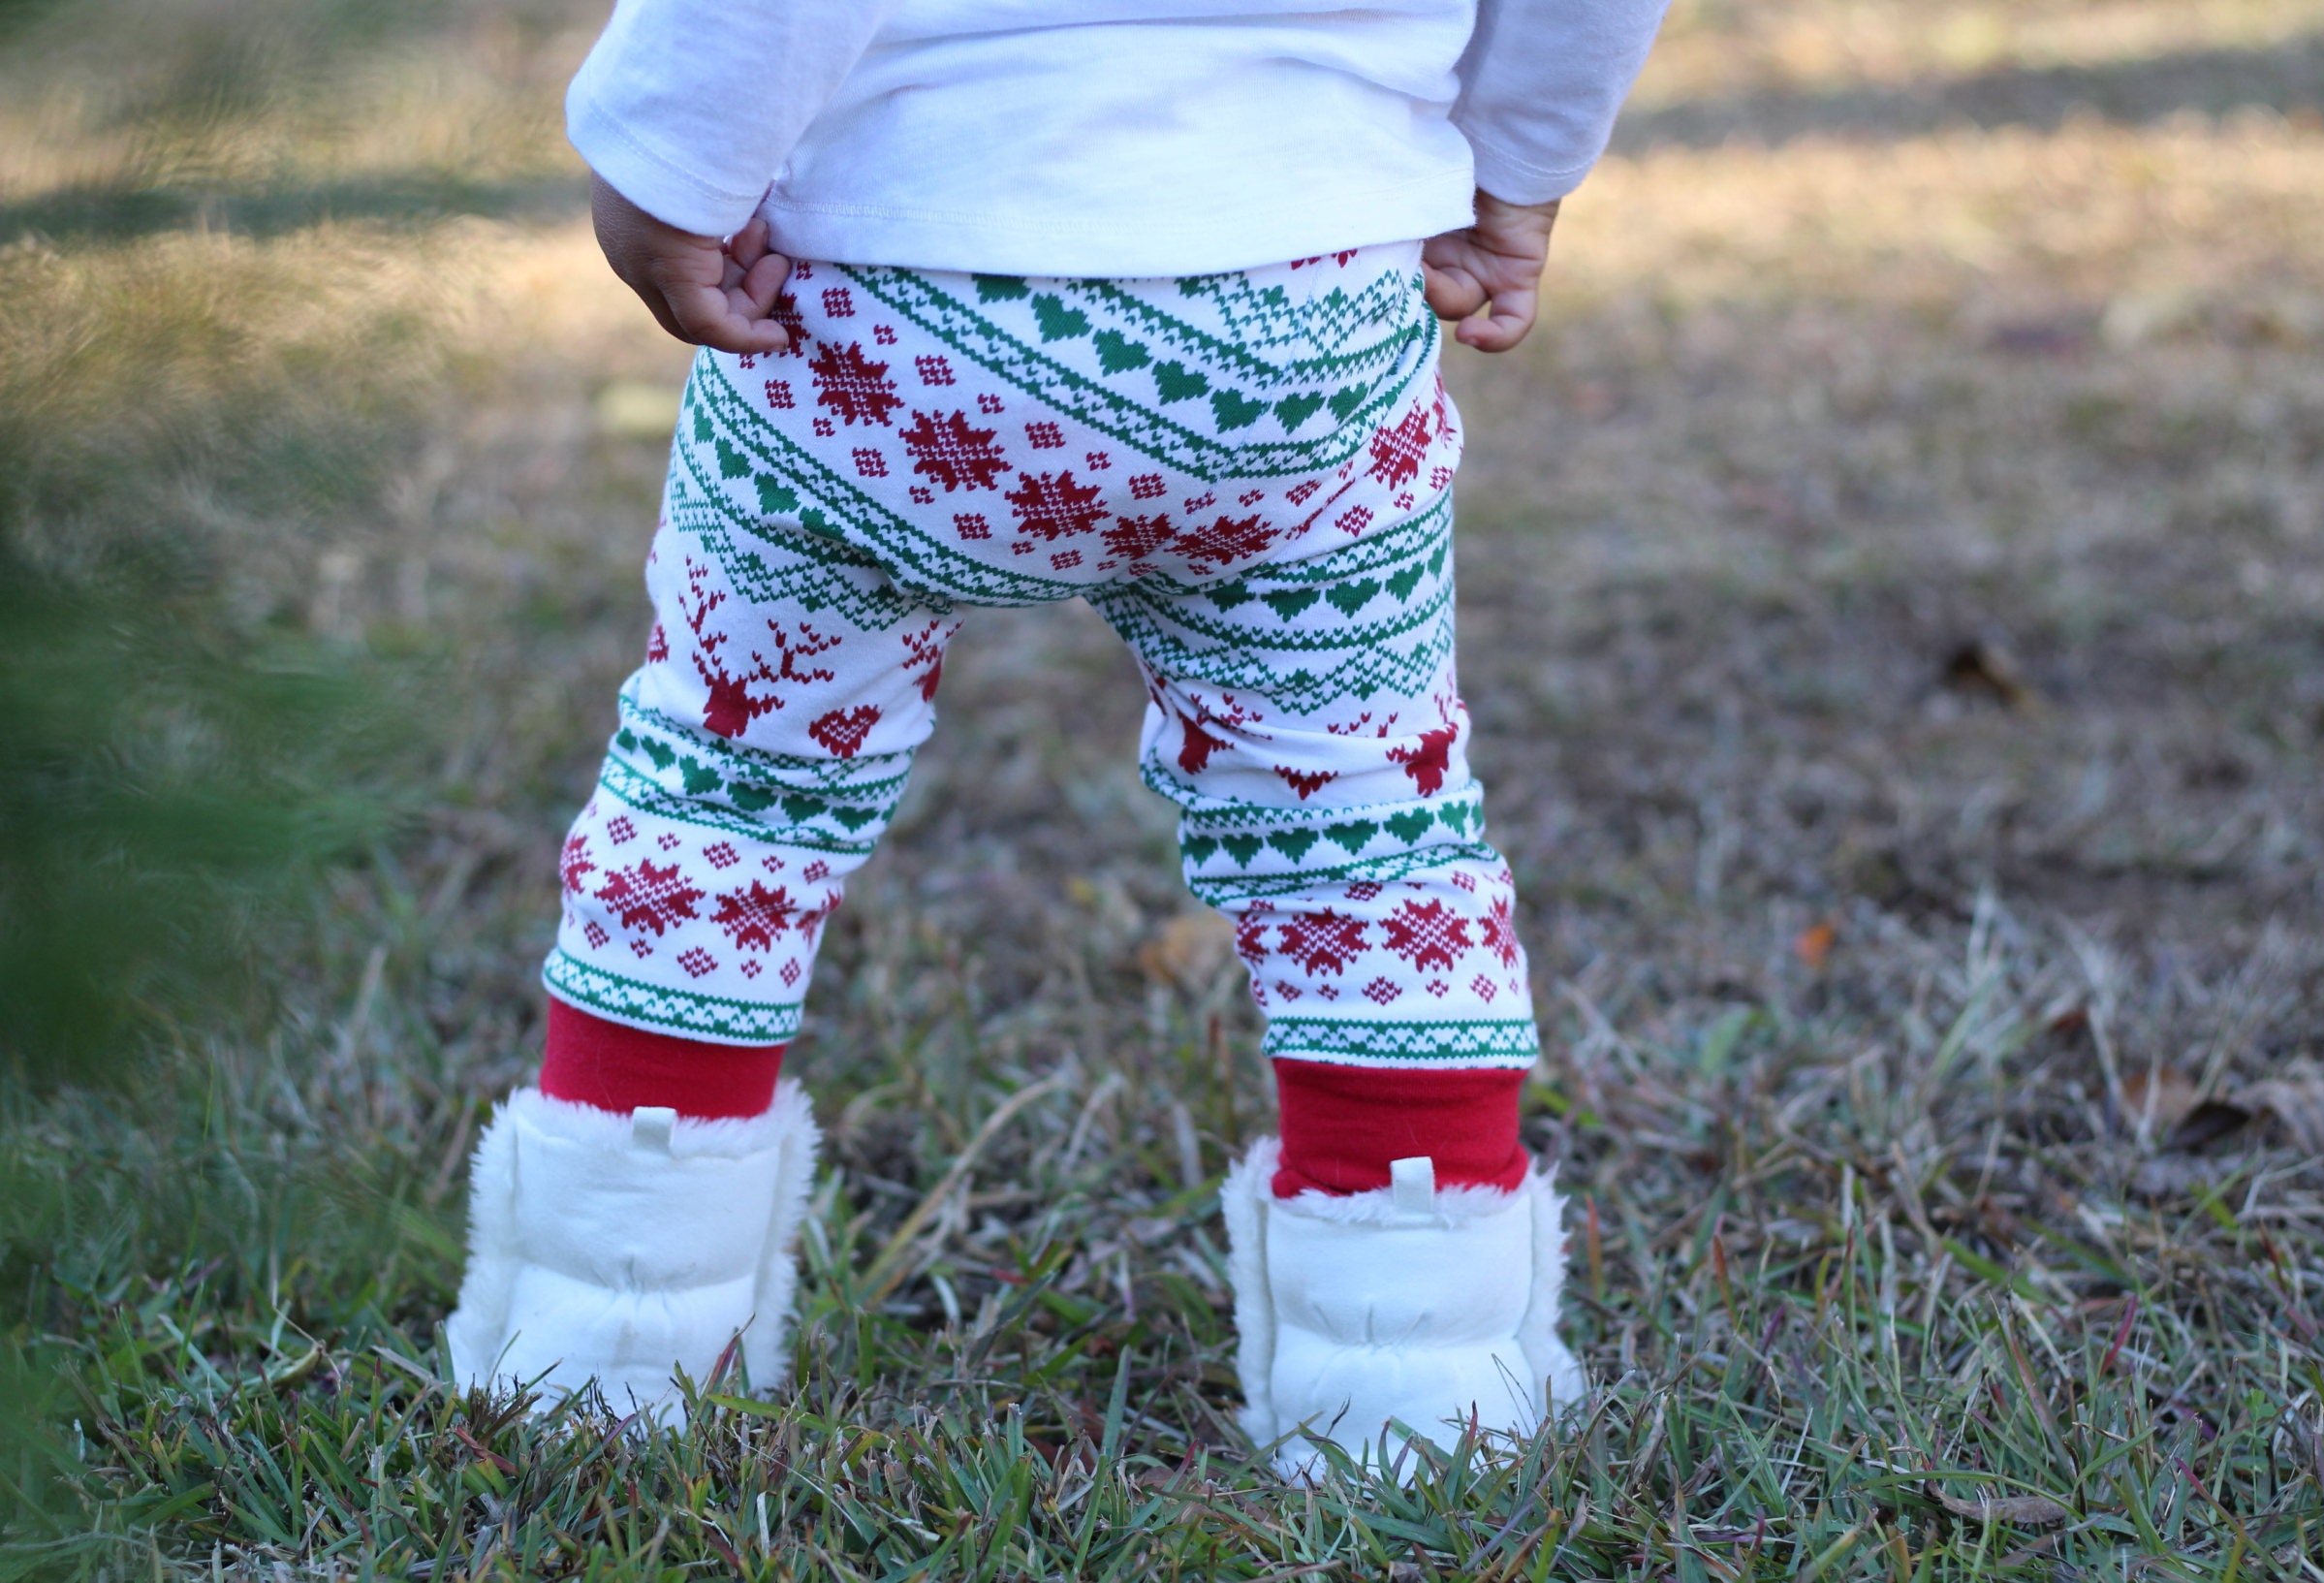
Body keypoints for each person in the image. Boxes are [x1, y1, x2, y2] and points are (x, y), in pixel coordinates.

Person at [447, 0, 1668, 1476]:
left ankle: (608, 1346)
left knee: (731, 781)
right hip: (1303, 318)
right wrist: (1518, 167)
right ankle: (1420, 1382)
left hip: (885, 318)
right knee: (1364, 811)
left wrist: (664, 177)